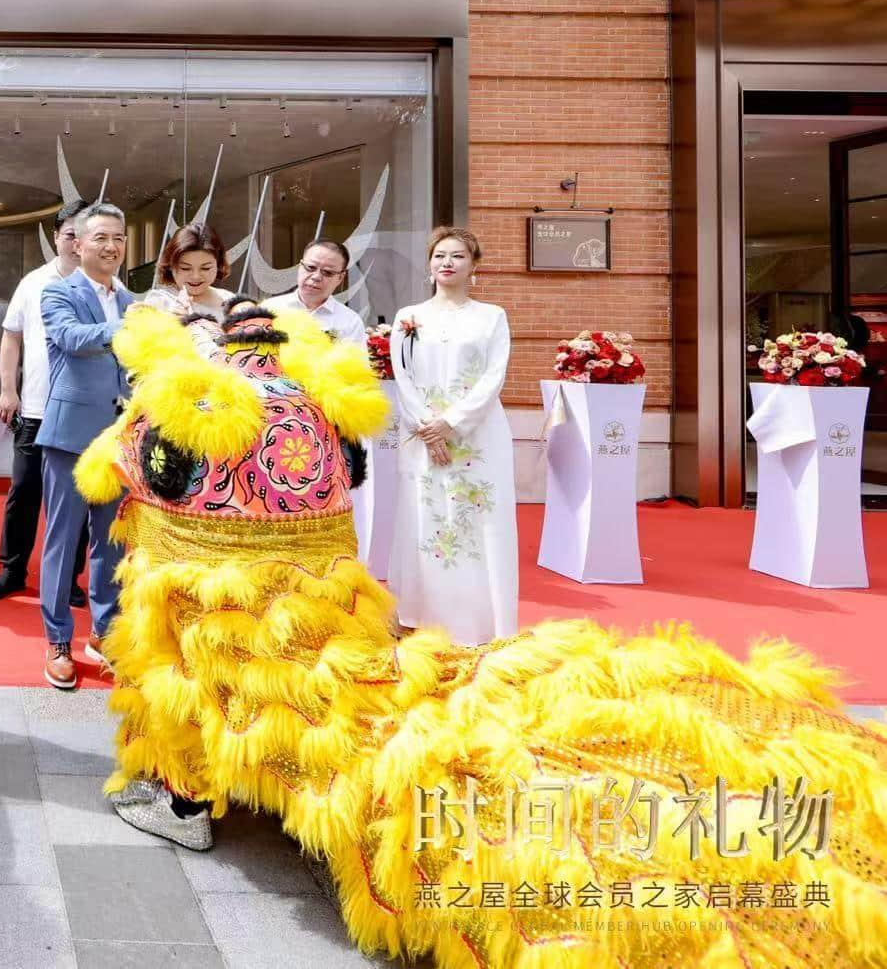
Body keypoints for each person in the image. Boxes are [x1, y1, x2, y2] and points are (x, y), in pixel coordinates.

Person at [79, 302, 887, 969]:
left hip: (216, 595)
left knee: (189, 658)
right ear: (279, 342)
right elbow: (353, 480)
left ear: (223, 345)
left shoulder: (185, 399)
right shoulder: (317, 401)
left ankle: (183, 796)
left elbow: (112, 473)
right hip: (327, 596)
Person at [389, 226, 516, 645]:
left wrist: (452, 423)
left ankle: (481, 624)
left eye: (458, 256)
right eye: (440, 255)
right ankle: (419, 617)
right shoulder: (408, 317)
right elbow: (403, 378)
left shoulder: (491, 317)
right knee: (426, 518)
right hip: (422, 437)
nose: (447, 262)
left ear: (473, 265)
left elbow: (493, 377)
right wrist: (430, 430)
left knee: (478, 521)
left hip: (479, 437)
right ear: (429, 264)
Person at [35, 203, 135, 689]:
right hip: (70, 437)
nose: (111, 246)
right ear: (78, 243)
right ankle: (58, 640)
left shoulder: (133, 301)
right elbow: (72, 338)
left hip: (119, 440)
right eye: (101, 237)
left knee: (110, 542)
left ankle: (104, 633)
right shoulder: (59, 291)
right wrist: (130, 328)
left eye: (118, 238)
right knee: (62, 538)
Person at [0, 202, 92, 604]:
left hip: (82, 411)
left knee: (76, 499)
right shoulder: (33, 283)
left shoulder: (101, 284)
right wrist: (8, 389)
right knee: (23, 492)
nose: (76, 243)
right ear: (57, 236)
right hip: (35, 409)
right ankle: (12, 570)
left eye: (84, 236)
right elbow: (11, 337)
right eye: (69, 234)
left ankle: (68, 578)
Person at [265, 238, 366, 343]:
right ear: (300, 266)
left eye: (328, 272)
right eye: (310, 267)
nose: (316, 277)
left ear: (340, 278)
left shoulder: (350, 322)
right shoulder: (269, 309)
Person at [142, 222, 233, 322]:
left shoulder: (230, 300)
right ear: (171, 266)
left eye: (205, 268)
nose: (195, 276)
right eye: (185, 268)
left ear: (218, 264)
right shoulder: (159, 302)